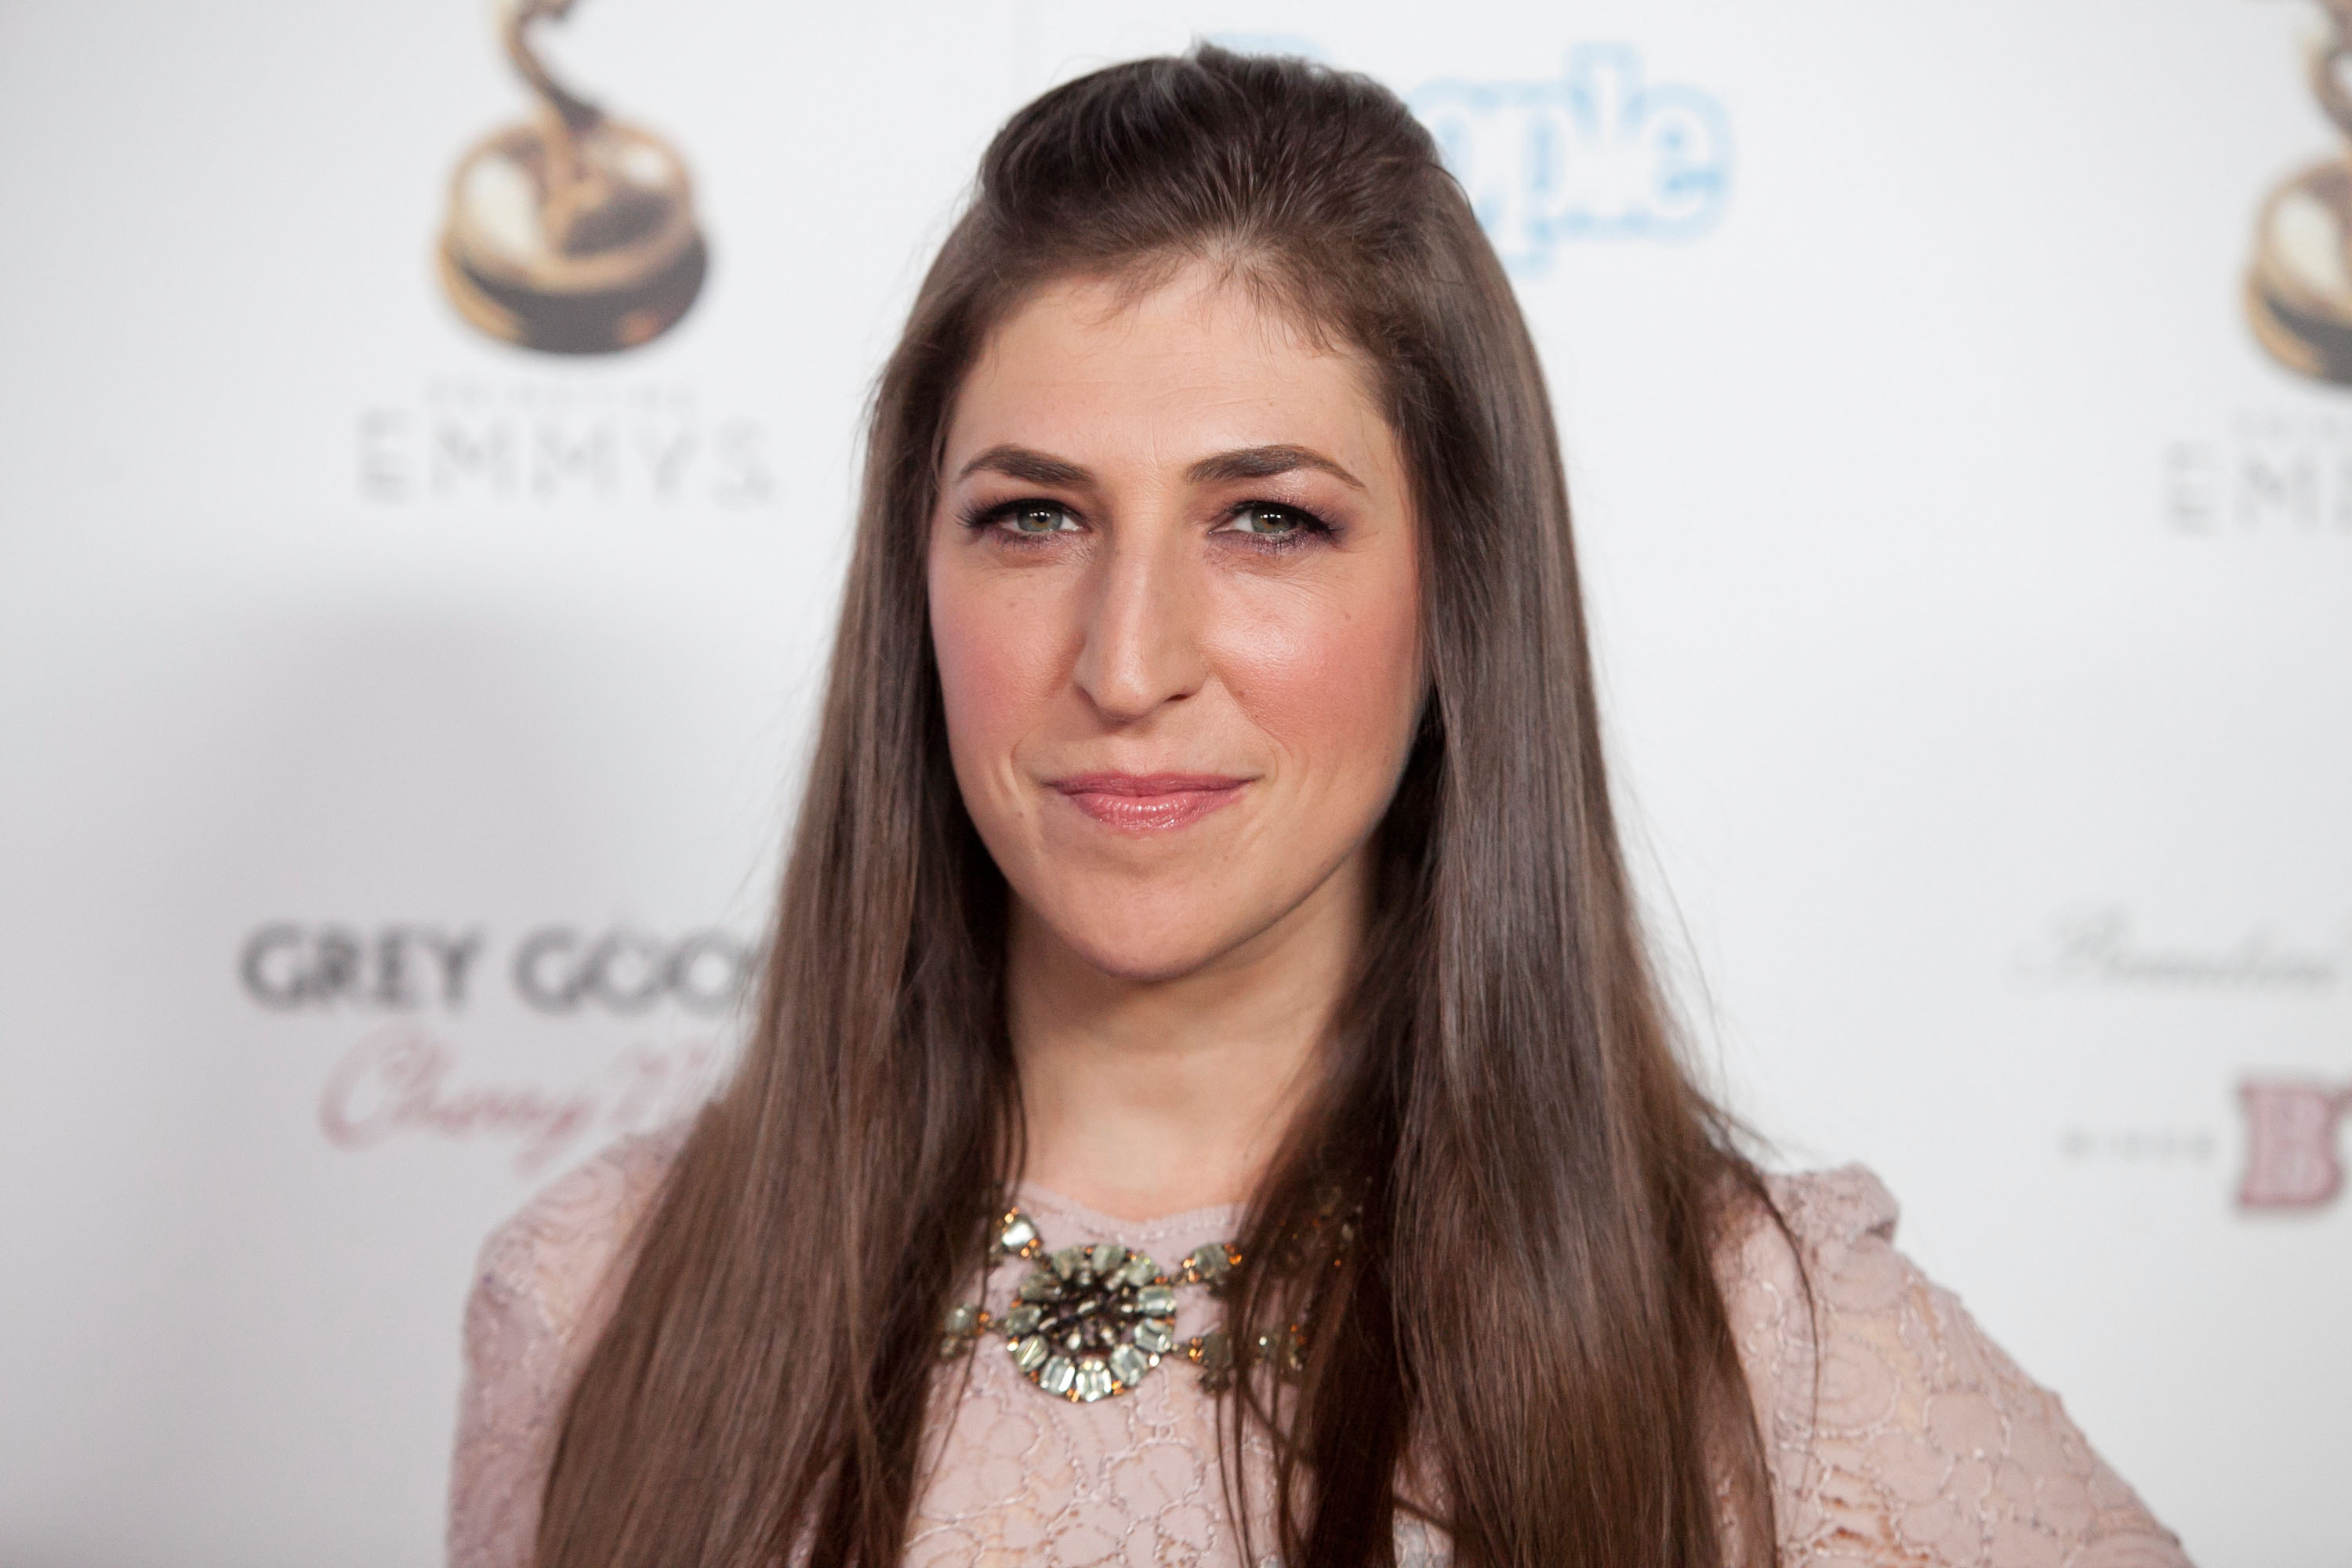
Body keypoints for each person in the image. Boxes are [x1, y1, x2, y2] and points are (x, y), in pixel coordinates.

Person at [447, 47, 2191, 1568]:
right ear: (917, 579)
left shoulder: (1765, 1350)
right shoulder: (596, 1296)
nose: (1127, 662)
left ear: (1459, 597)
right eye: (1032, 517)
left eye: (1267, 518)